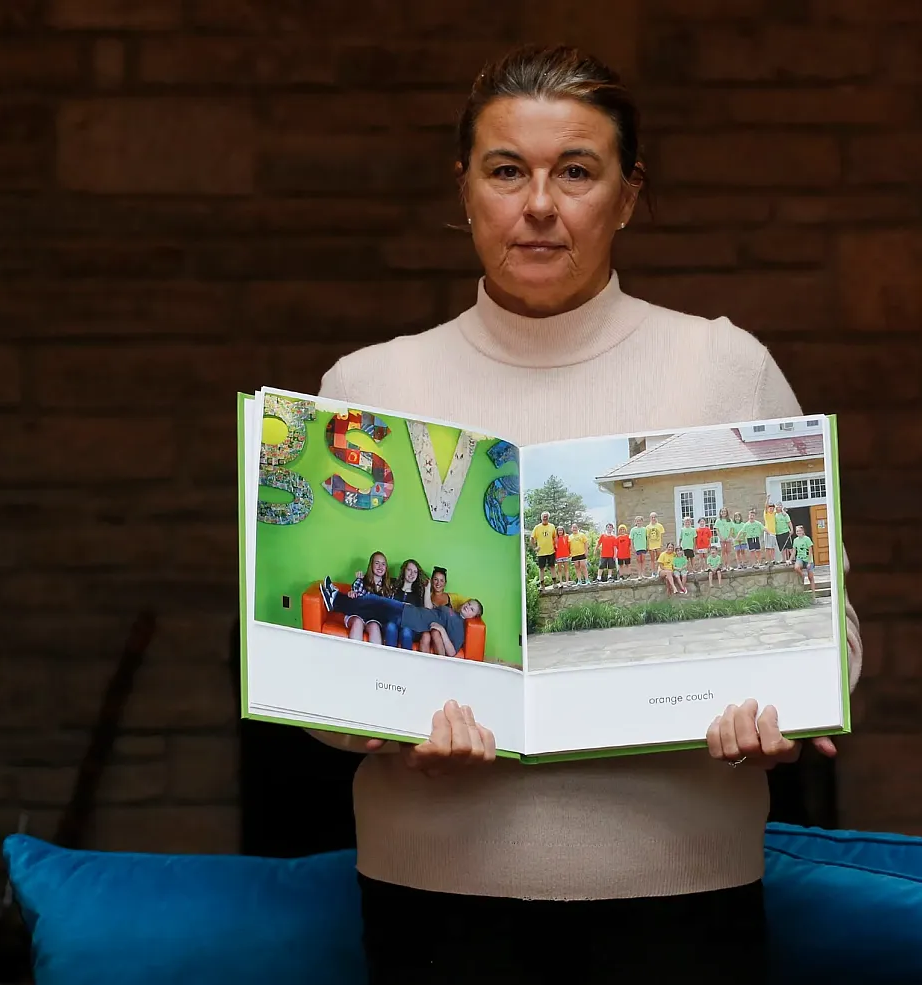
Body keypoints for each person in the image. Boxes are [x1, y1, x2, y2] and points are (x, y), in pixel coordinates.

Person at [308, 43, 863, 985]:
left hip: (683, 889)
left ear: (628, 194)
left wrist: (786, 707)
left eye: (575, 171)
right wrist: (381, 731)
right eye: (507, 170)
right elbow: (316, 670)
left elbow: (833, 629)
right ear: (465, 189)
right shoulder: (368, 387)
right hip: (434, 896)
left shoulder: (722, 366)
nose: (538, 204)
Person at [322, 583, 483, 658]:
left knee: (372, 600)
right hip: (410, 611)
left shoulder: (459, 626)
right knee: (370, 606)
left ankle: (335, 600)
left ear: (474, 616)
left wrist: (441, 631)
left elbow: (452, 652)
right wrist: (427, 591)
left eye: (472, 608)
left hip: (408, 619)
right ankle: (336, 599)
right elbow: (428, 609)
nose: (467, 607)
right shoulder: (450, 611)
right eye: (469, 603)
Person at [531, 511, 558, 588]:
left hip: (551, 551)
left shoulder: (552, 526)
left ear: (548, 517)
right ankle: (542, 584)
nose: (545, 517)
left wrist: (556, 545)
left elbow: (555, 536)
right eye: (544, 516)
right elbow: (532, 538)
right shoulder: (537, 527)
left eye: (546, 516)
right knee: (541, 568)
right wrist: (534, 548)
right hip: (541, 552)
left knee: (552, 566)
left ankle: (554, 583)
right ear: (541, 517)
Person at [793, 523, 817, 595]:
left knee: (810, 577)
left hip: (808, 558)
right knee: (796, 567)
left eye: (800, 531)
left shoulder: (807, 539)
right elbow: (794, 551)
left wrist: (809, 562)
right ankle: (802, 575)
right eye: (797, 531)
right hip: (800, 558)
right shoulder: (795, 540)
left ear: (803, 531)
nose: (798, 532)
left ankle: (813, 595)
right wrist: (790, 560)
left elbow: (810, 551)